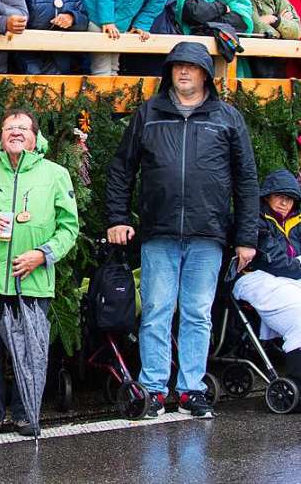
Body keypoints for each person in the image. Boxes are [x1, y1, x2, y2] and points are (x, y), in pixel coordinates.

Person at [106, 41, 259, 420]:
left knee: (197, 312)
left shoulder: (227, 117)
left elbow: (247, 180)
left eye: (191, 67)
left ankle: (191, 389)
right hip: (159, 231)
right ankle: (155, 389)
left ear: (206, 74)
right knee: (157, 310)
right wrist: (117, 218)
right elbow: (122, 169)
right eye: (177, 67)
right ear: (169, 73)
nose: (184, 72)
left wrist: (246, 238)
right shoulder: (149, 113)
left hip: (208, 234)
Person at [0, 109, 79, 435]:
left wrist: (42, 256)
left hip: (32, 280)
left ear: (34, 136)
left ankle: (25, 413)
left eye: (22, 127)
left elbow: (69, 229)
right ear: (0, 136)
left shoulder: (55, 174)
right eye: (9, 127)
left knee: (29, 351)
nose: (15, 132)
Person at [232, 169, 301, 383]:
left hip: (290, 277)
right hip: (254, 277)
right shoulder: (254, 219)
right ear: (267, 195)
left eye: (289, 198)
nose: (284, 202)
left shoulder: (297, 221)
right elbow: (272, 260)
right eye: (279, 196)